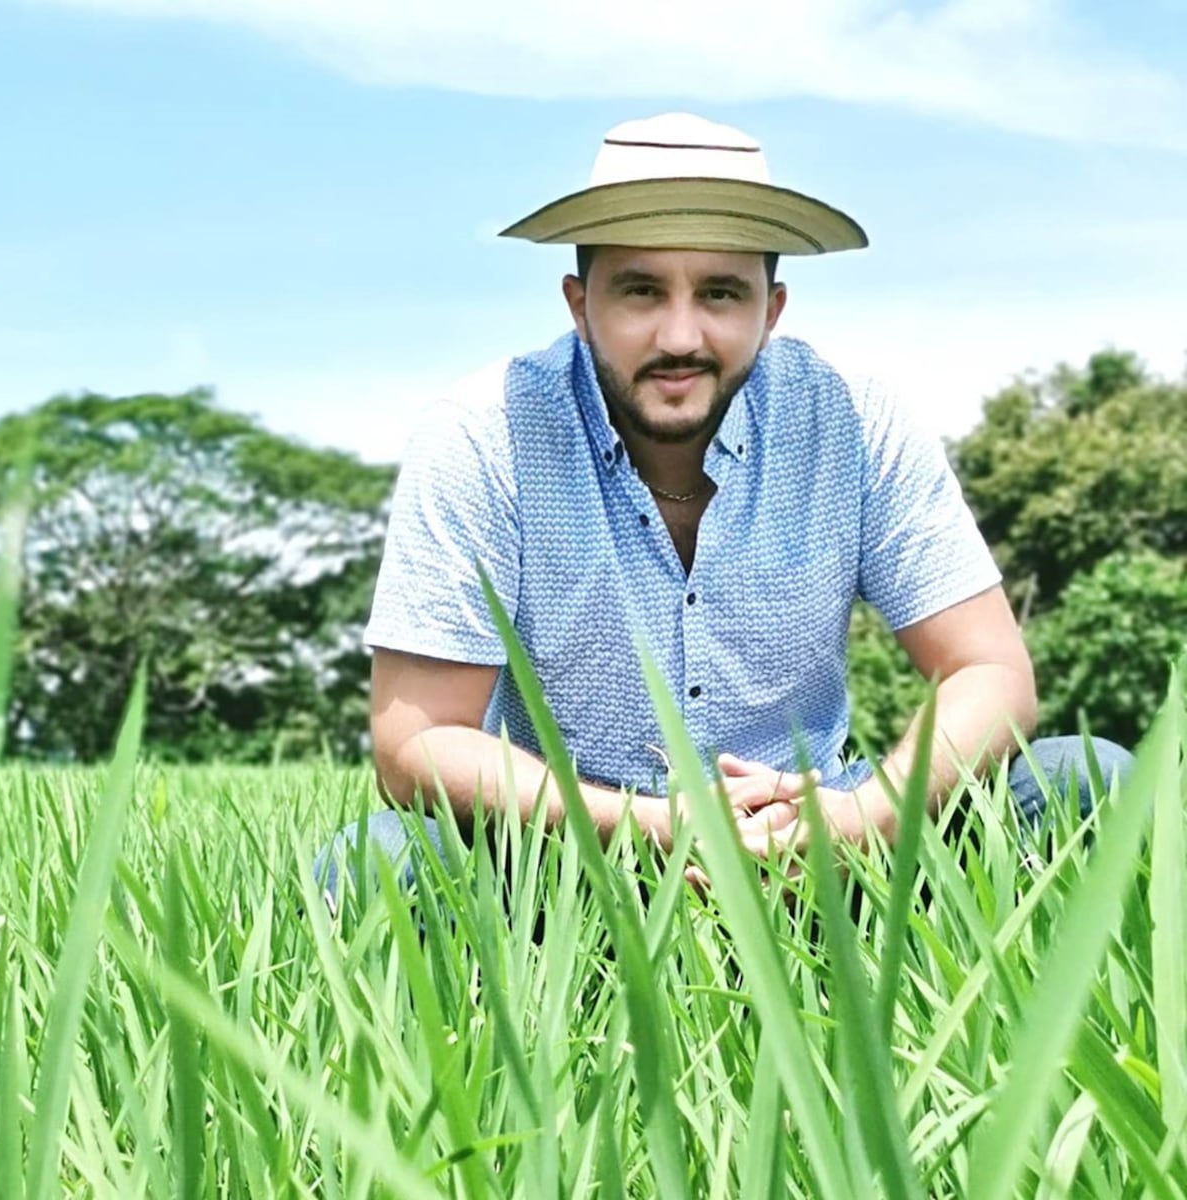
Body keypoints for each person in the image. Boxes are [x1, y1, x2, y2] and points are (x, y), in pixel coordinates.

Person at [316, 112, 1132, 898]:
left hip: (823, 848)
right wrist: (655, 826)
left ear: (770, 310)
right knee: (376, 863)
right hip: (569, 860)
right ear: (579, 303)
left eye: (719, 294)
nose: (680, 336)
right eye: (640, 291)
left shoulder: (854, 419)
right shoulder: (482, 435)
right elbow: (416, 740)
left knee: (1090, 778)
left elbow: (989, 669)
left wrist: (859, 819)